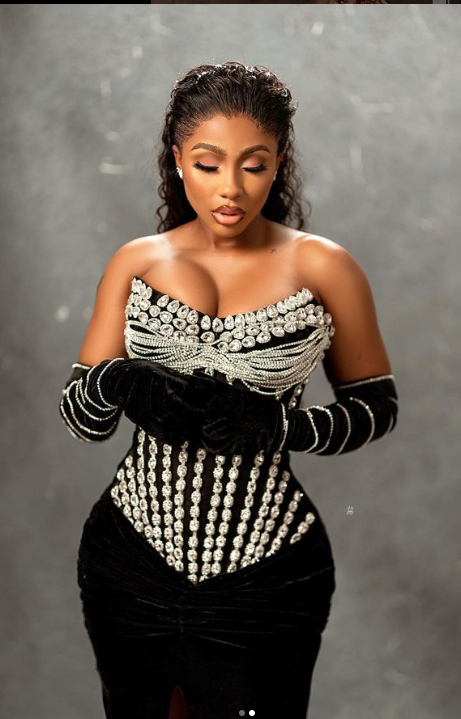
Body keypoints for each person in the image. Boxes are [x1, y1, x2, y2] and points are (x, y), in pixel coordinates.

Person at [59, 61, 399, 719]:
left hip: (268, 572)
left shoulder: (325, 266)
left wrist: (281, 427)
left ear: (278, 163)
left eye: (254, 164)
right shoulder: (135, 262)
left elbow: (377, 408)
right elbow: (82, 421)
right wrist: (118, 380)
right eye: (209, 164)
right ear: (177, 158)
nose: (231, 188)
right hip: (128, 562)